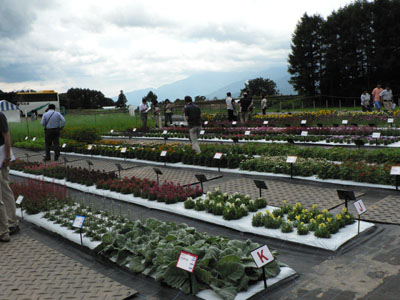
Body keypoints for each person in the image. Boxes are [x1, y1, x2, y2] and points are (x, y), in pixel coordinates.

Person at [0, 111, 18, 242]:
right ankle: (8, 224)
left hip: (1, 156)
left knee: (5, 189)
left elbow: (6, 136)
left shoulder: (0, 116)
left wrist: (7, 157)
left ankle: (10, 223)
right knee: (4, 189)